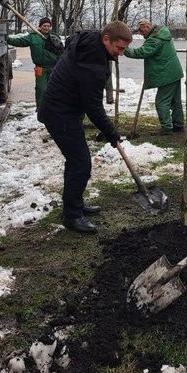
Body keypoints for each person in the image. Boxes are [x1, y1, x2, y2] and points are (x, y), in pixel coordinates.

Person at [38, 21, 133, 234]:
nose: (121, 54)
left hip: (66, 110)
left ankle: (75, 205)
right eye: (119, 48)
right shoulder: (92, 63)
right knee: (80, 162)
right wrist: (111, 133)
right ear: (106, 39)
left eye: (124, 49)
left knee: (77, 161)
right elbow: (93, 106)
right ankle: (72, 216)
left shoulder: (89, 42)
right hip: (60, 114)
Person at [124, 19, 184, 133]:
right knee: (175, 101)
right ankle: (178, 124)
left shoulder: (155, 39)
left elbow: (142, 52)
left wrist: (124, 50)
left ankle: (167, 128)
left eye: (142, 31)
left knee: (161, 102)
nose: (141, 34)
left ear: (148, 26)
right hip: (174, 72)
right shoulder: (162, 34)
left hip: (167, 74)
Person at [7, 18, 63, 111]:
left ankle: (54, 108)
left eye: (48, 26)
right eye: (44, 26)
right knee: (41, 89)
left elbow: (61, 51)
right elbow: (19, 42)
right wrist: (7, 39)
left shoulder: (54, 37)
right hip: (41, 68)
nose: (46, 28)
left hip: (55, 68)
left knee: (55, 89)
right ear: (40, 27)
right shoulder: (33, 37)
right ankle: (41, 109)